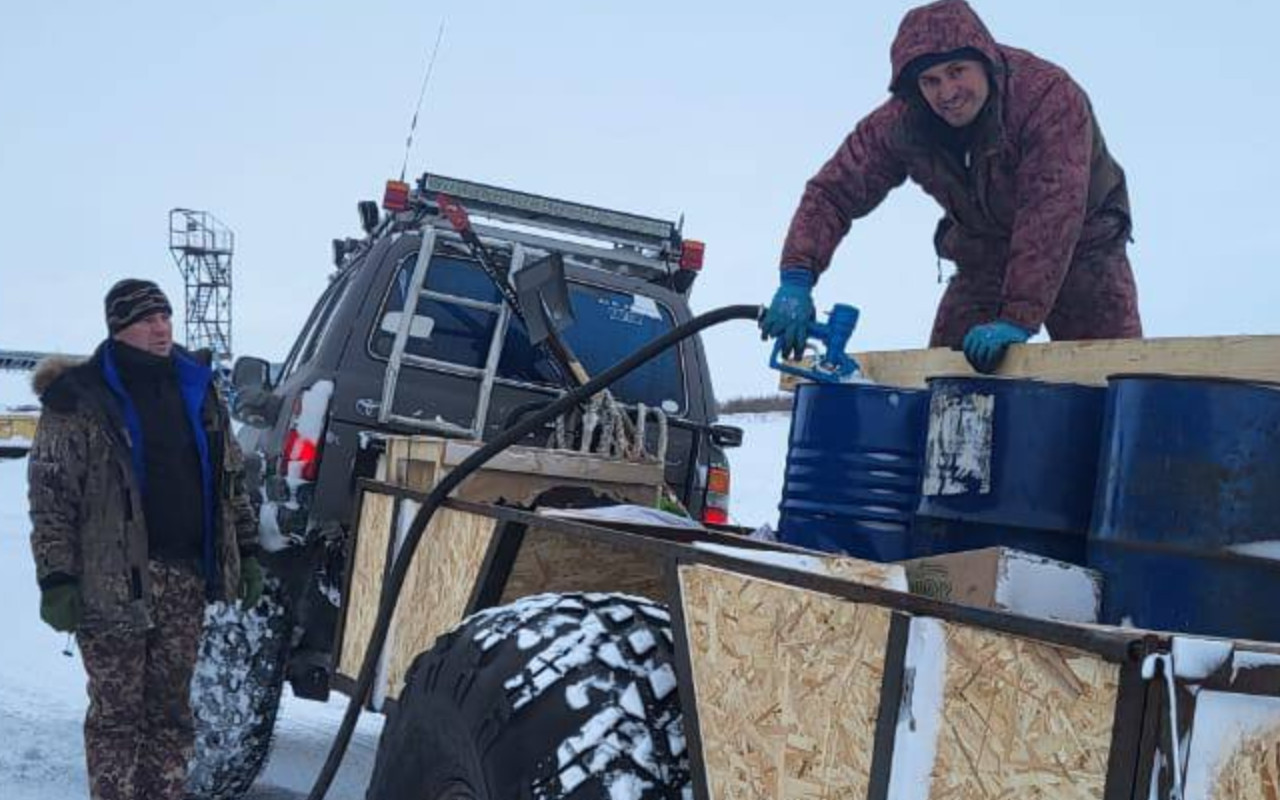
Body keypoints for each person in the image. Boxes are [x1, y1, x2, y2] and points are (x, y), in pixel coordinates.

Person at [761, 0, 1142, 373]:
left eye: (957, 71)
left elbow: (1052, 213)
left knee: (1115, 379)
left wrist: (1018, 317)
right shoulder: (901, 123)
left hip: (1084, 249)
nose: (947, 92)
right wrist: (796, 277)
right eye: (931, 81)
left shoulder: (1047, 98)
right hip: (983, 256)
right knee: (946, 382)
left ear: (986, 63)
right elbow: (832, 193)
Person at [27, 278, 263, 800]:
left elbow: (229, 482)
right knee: (117, 716)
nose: (161, 329)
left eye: (165, 317)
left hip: (184, 577)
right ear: (119, 329)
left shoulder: (197, 390)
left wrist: (245, 552)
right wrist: (57, 577)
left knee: (171, 715)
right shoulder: (79, 398)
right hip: (110, 584)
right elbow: (52, 497)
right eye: (146, 320)